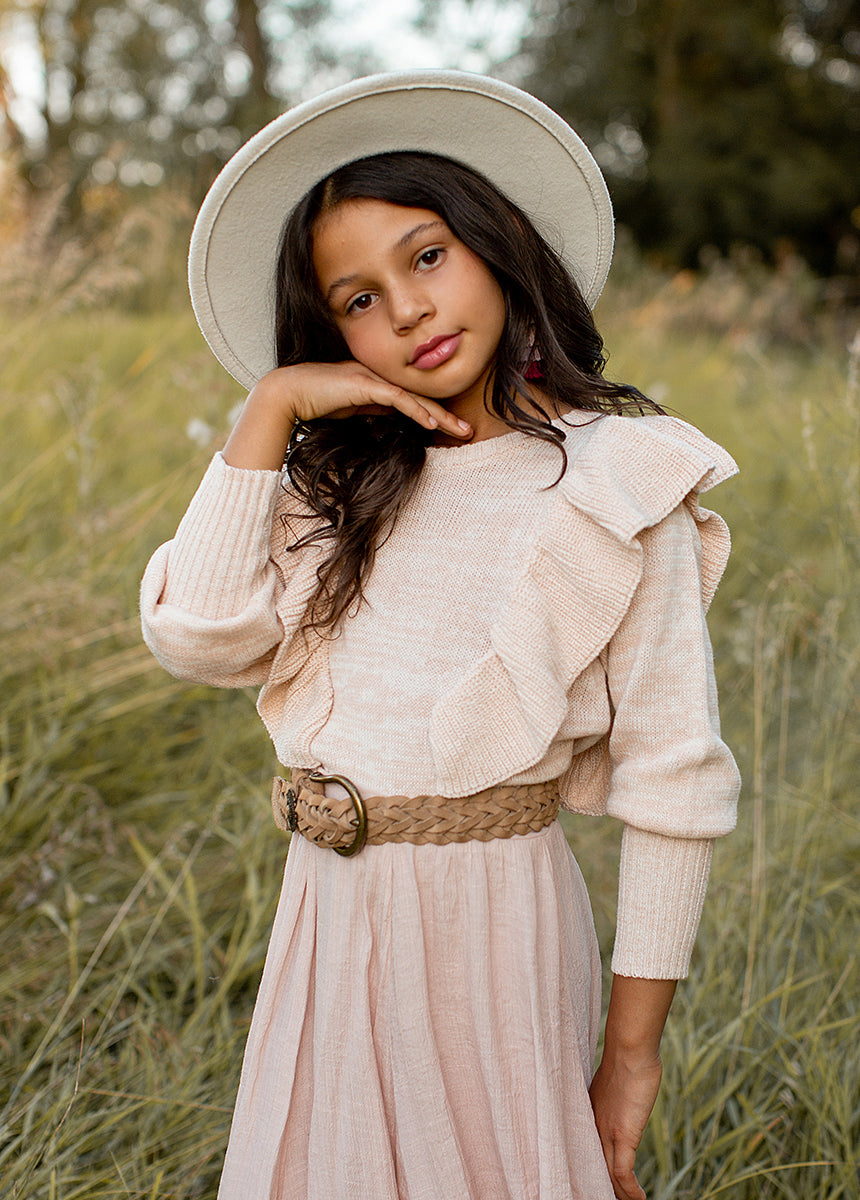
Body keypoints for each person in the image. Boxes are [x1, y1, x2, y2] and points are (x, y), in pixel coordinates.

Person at [141, 71, 741, 1200]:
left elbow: (675, 781)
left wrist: (630, 1057)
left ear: (498, 243)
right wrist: (270, 408)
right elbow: (196, 636)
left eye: (427, 257)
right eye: (358, 299)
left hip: (496, 927)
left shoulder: (619, 483)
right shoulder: (335, 488)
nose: (408, 311)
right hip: (325, 916)